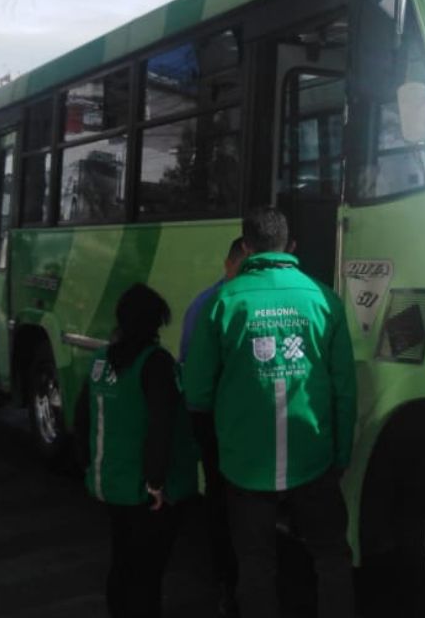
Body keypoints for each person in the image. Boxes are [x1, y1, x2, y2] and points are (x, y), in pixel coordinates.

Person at [183, 207, 357, 618]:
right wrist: (340, 455)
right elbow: (344, 389)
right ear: (291, 246)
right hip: (313, 456)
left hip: (245, 462)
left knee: (256, 564)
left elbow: (197, 389)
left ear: (246, 247)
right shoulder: (323, 299)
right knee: (331, 556)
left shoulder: (222, 301)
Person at [74, 283, 199, 618]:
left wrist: (89, 465)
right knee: (147, 575)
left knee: (122, 562)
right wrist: (156, 483)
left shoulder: (101, 360)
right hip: (144, 492)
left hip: (111, 483)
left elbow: (82, 416)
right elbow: (162, 427)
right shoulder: (155, 363)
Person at [180, 236, 246, 617]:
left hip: (215, 422)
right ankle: (231, 584)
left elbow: (191, 373)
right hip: (230, 425)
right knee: (232, 504)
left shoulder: (206, 303)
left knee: (223, 502)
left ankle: (228, 583)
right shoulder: (214, 304)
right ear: (230, 265)